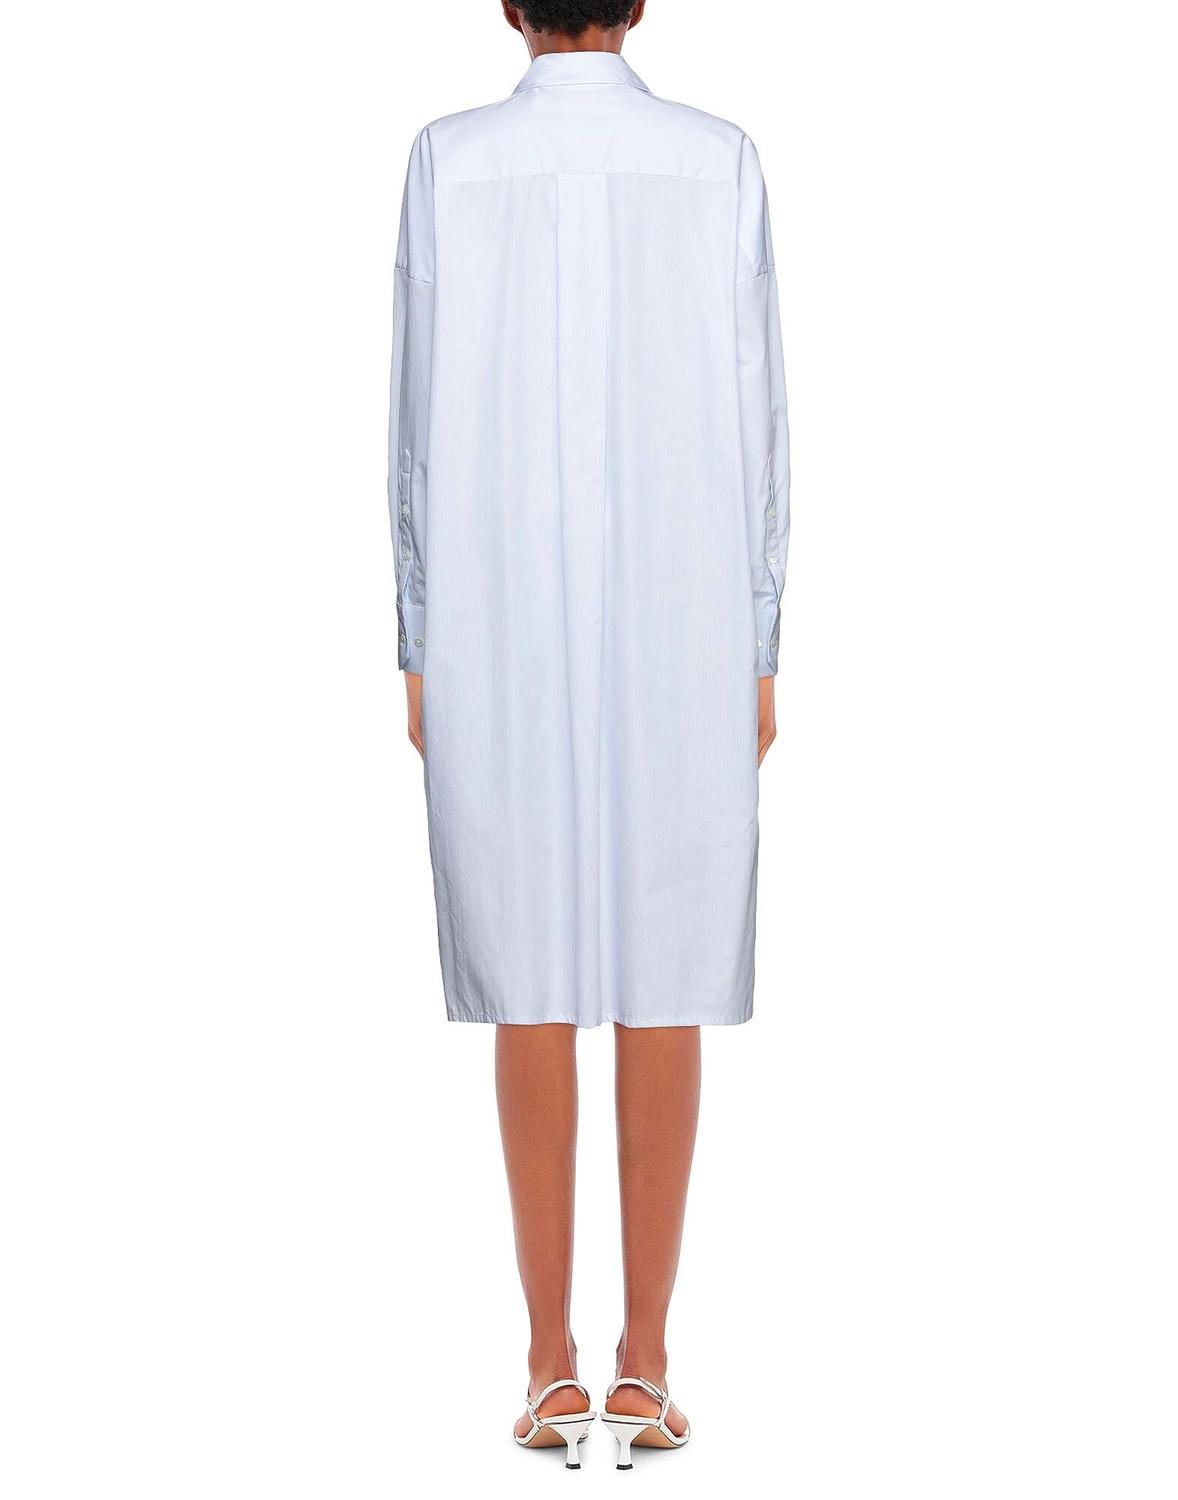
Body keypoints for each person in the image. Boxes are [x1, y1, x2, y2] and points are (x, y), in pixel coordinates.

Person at [388, 0, 788, 1469]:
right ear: (639, 3)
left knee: (532, 968)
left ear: (509, 5)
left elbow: (413, 420)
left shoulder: (449, 159)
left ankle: (551, 1364)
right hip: (684, 602)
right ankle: (648, 1362)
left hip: (498, 601)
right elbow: (759, 408)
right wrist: (760, 630)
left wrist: (417, 628)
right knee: (663, 955)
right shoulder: (716, 158)